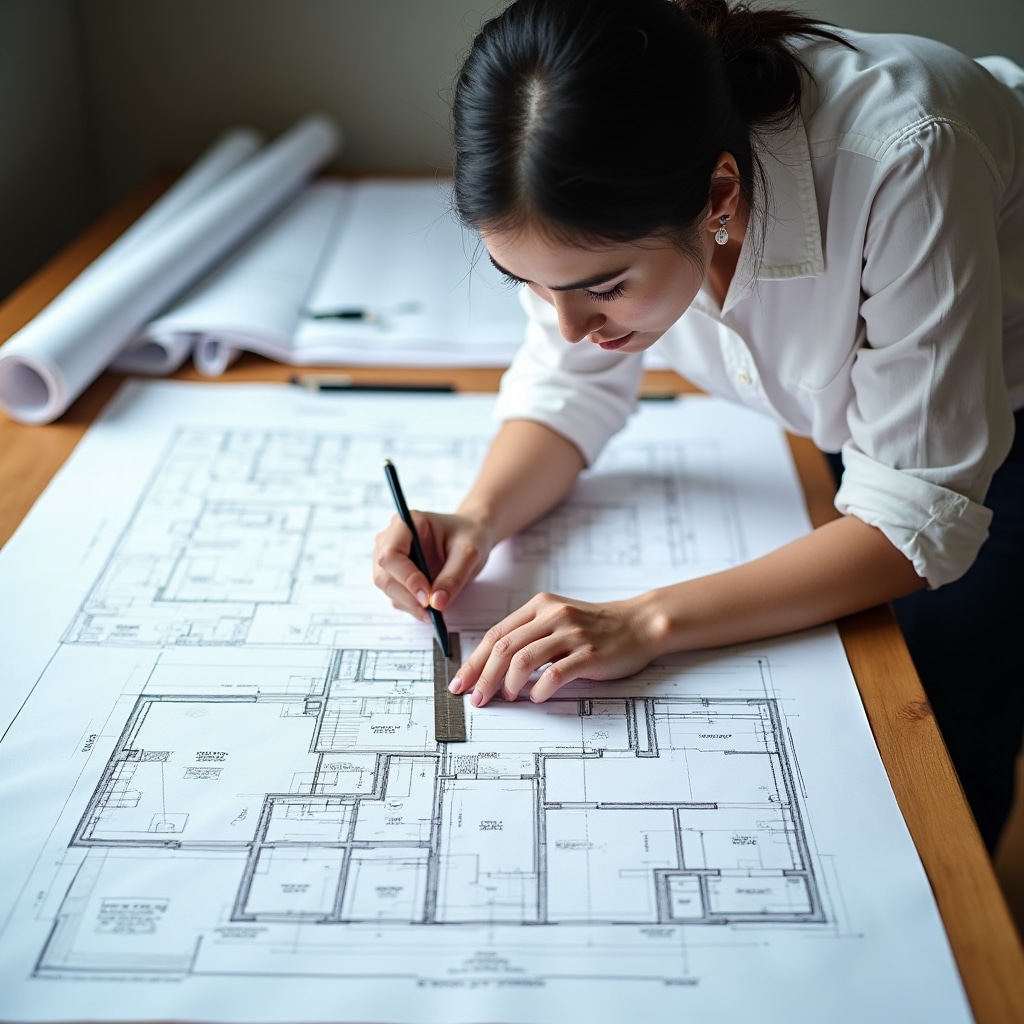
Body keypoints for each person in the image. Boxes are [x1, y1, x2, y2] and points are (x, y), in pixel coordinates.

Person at [373, 0, 1024, 854]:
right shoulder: (600, 191)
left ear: (719, 193)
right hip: (880, 415)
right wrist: (478, 516)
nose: (568, 324)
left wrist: (643, 623)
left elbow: (918, 515)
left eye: (602, 289)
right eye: (525, 282)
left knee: (941, 716)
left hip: (1003, 397)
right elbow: (570, 385)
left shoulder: (904, 158)